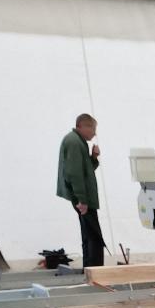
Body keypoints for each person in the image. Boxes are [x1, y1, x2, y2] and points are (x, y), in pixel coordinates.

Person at [57, 113, 105, 268]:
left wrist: (93, 157)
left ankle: (89, 269)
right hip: (84, 199)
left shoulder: (78, 142)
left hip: (83, 197)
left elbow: (85, 170)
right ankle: (96, 270)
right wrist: (82, 200)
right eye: (93, 129)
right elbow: (74, 174)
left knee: (88, 235)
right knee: (94, 237)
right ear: (83, 126)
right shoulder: (74, 142)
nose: (94, 133)